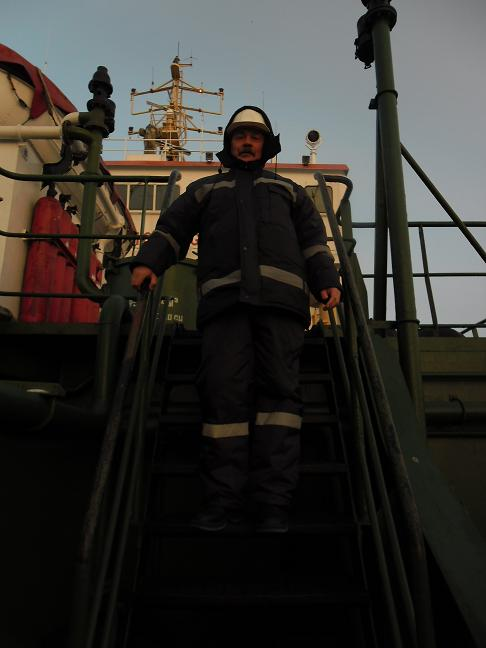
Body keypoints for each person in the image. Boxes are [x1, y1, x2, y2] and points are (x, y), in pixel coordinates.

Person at [131, 106, 341, 533]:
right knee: (223, 399)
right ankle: (222, 503)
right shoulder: (205, 190)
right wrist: (149, 262)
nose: (247, 142)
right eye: (240, 136)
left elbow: (314, 242)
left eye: (255, 136)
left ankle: (272, 505)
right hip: (225, 308)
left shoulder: (290, 192)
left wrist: (326, 279)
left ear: (266, 145)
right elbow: (173, 229)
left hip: (281, 310)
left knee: (279, 401)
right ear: (229, 143)